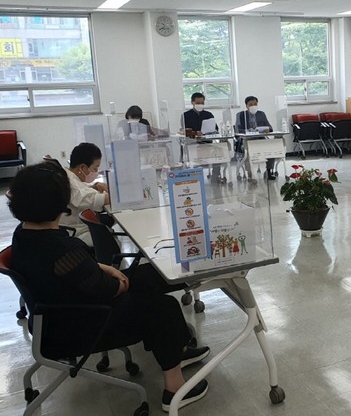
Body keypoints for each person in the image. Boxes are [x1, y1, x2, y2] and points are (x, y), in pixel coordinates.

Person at [8, 163, 210, 411]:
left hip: (59, 310)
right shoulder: (61, 249)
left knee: (150, 276)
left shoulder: (25, 235)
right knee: (164, 307)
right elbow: (108, 290)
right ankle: (174, 390)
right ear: (60, 203)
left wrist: (104, 268)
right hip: (79, 324)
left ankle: (177, 350)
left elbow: (70, 269)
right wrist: (119, 281)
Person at [61, 142, 110, 246]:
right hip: (77, 232)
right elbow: (89, 199)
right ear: (83, 168)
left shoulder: (68, 175)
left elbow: (82, 189)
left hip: (76, 227)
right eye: (95, 168)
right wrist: (119, 196)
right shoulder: (71, 182)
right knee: (110, 240)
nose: (96, 172)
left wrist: (95, 186)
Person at [235, 95, 276, 180]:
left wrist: (268, 129)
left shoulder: (261, 114)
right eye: (251, 104)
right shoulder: (241, 115)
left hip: (260, 139)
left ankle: (269, 171)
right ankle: (250, 173)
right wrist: (249, 131)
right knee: (247, 151)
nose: (253, 106)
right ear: (246, 105)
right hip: (247, 140)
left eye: (255, 104)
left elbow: (270, 127)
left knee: (271, 148)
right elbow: (238, 130)